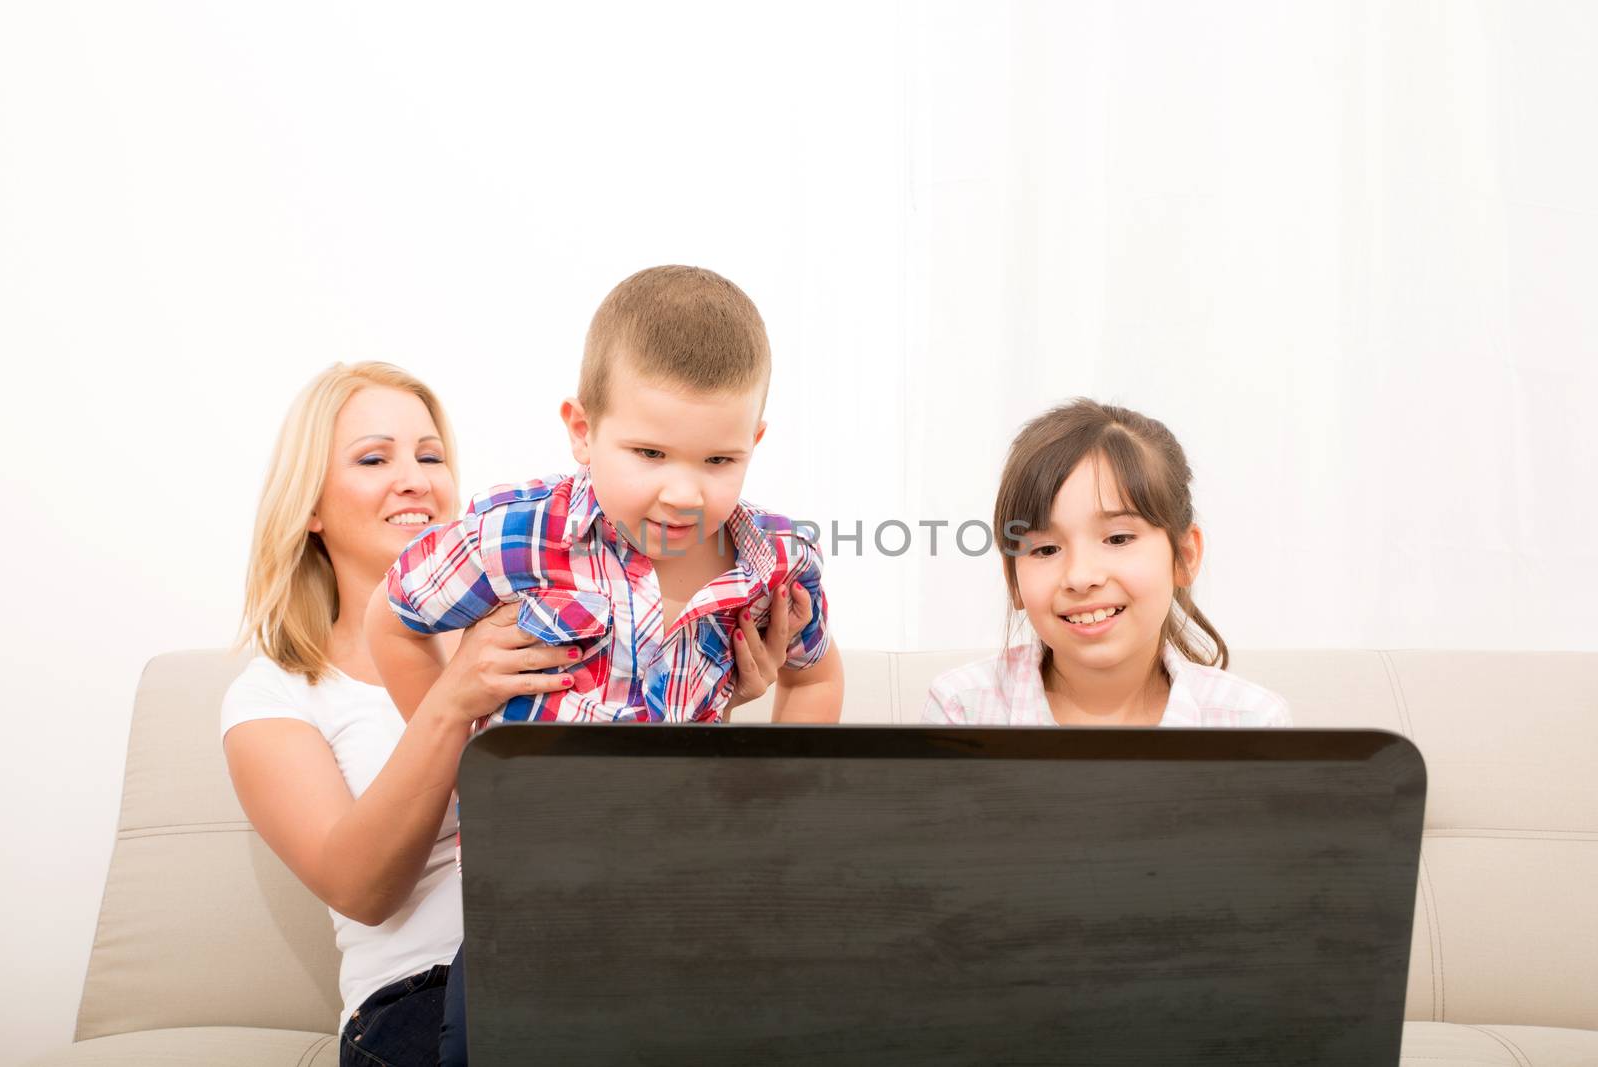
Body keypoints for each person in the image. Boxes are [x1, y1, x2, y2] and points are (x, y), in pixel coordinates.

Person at [365, 265, 846, 1063]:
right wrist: (463, 753)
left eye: (718, 461)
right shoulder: (524, 533)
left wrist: (775, 795)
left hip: (692, 900)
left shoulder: (774, 559)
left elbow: (816, 675)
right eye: (649, 452)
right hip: (529, 906)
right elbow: (393, 618)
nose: (683, 492)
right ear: (582, 430)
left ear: (754, 442)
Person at [221, 362, 576, 1066]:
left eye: (430, 455)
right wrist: (451, 699)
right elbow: (364, 888)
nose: (415, 477)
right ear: (312, 505)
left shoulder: (521, 627)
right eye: (374, 457)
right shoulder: (275, 694)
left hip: (570, 954)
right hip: (416, 995)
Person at [924, 398, 1290, 728]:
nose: (1081, 578)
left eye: (1118, 539)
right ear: (1013, 579)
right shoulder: (963, 711)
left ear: (1186, 556)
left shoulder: (1250, 722)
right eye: (1046, 550)